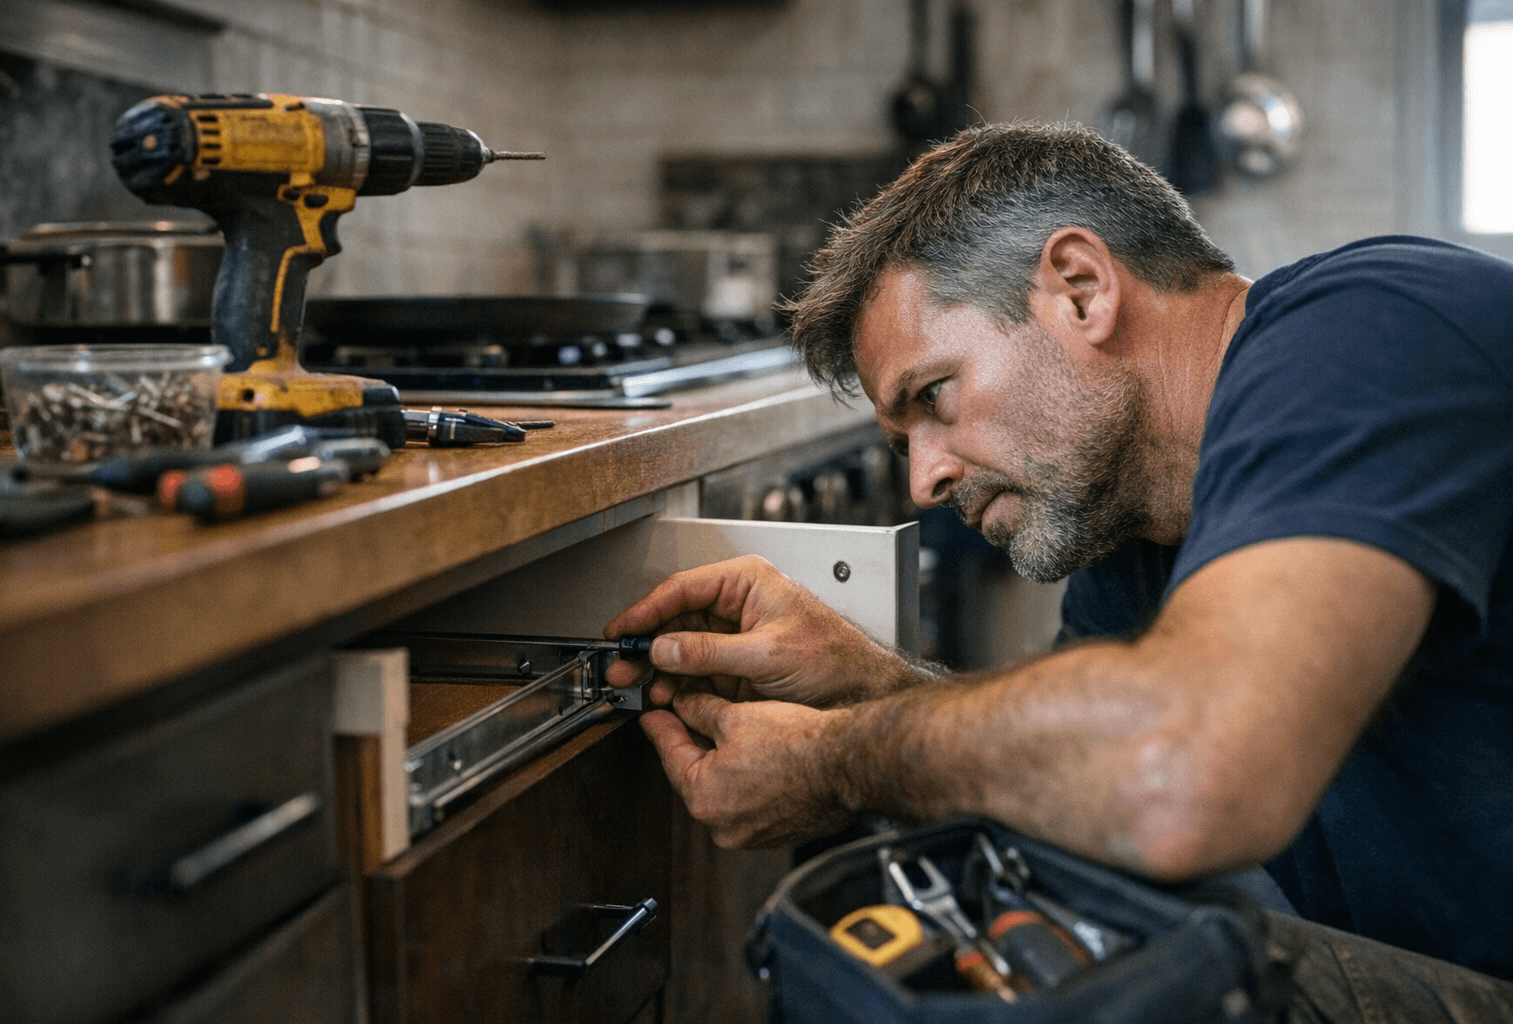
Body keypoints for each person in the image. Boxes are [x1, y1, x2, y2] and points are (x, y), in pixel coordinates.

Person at [603, 121, 1513, 1020]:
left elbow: (1184, 780)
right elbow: (1087, 789)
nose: (926, 481)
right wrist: (865, 689)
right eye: (904, 441)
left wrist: (835, 761)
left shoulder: (1373, 330)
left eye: (934, 396)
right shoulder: (1135, 527)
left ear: (1079, 290)